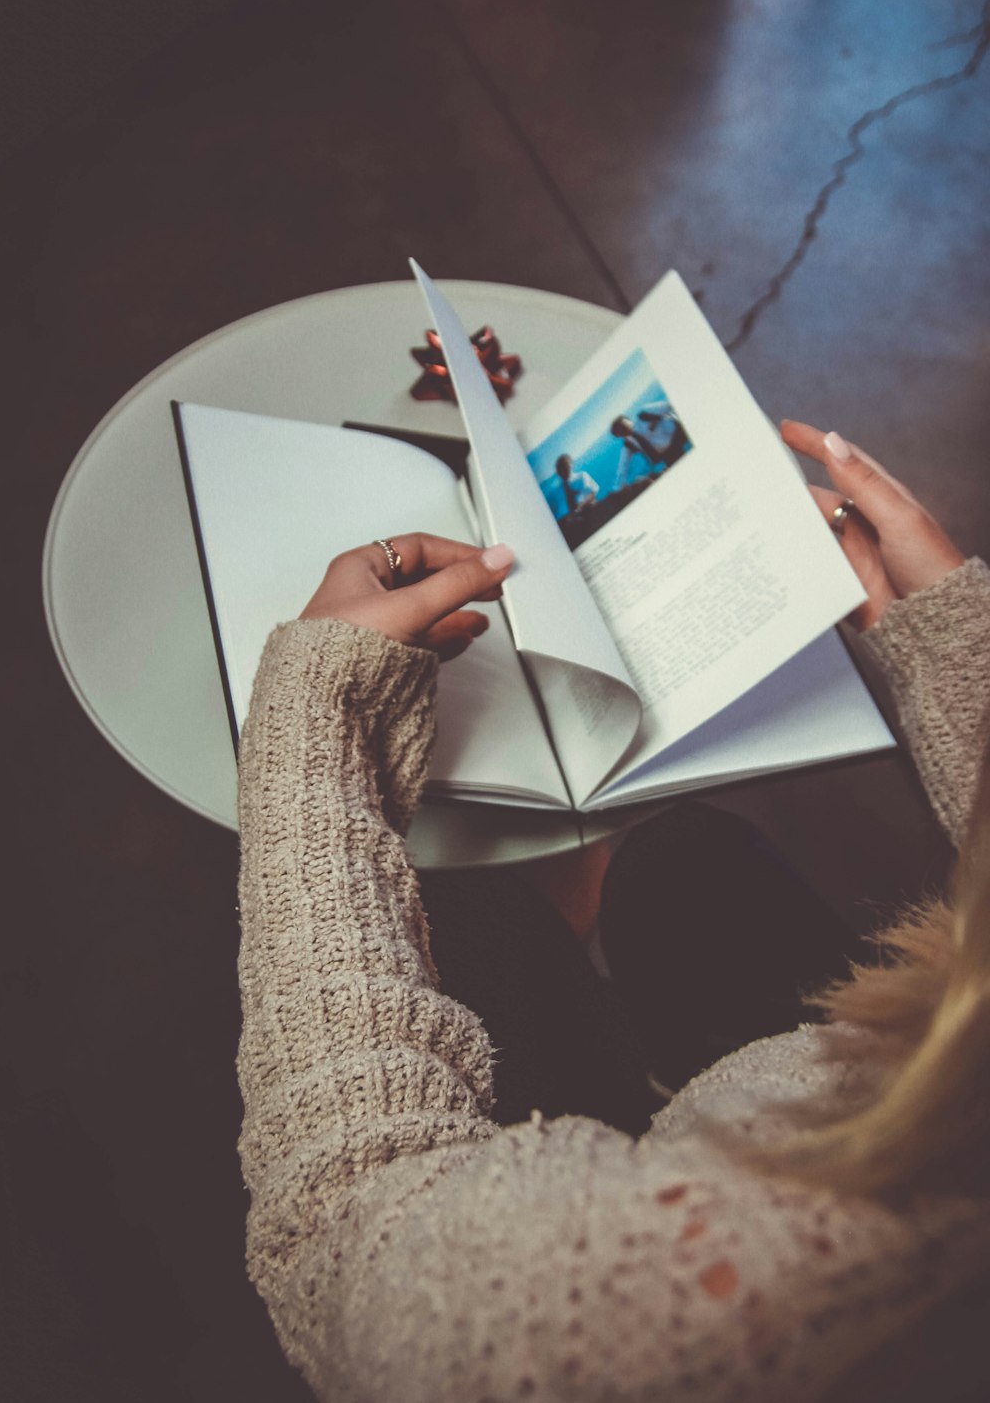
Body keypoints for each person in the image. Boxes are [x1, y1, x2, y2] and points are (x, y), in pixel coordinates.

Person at [235, 421, 990, 1402]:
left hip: (763, 1144)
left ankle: (630, 1075)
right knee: (684, 866)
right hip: (861, 1049)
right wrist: (957, 649)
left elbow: (348, 1239)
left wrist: (313, 712)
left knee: (478, 919)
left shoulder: (775, 1291)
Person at [611, 403, 689, 489]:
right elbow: (623, 466)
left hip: (682, 434)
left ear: (627, 420)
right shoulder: (629, 444)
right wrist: (620, 486)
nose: (623, 430)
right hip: (670, 455)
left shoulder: (644, 414)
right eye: (619, 432)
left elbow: (669, 406)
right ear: (619, 436)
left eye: (622, 426)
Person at [555, 451, 599, 517]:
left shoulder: (582, 476)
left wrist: (580, 507)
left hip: (592, 509)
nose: (565, 468)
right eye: (563, 467)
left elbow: (593, 493)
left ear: (570, 465)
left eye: (566, 464)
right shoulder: (563, 487)